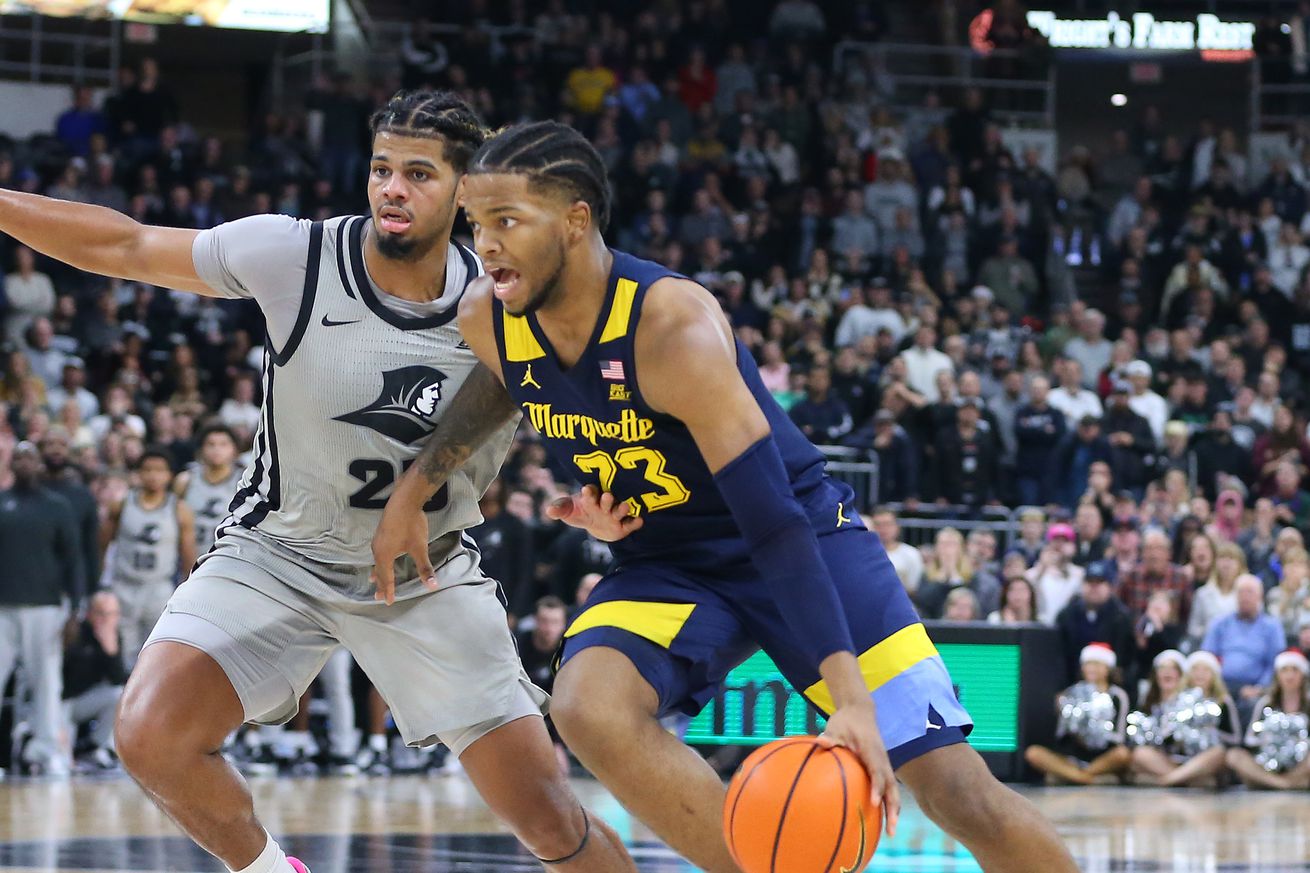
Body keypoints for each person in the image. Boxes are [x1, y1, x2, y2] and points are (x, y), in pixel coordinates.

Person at [374, 121, 1078, 873]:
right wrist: (413, 492)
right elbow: (504, 379)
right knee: (586, 707)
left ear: (576, 221)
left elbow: (773, 523)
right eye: (479, 224)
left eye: (508, 222)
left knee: (955, 790)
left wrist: (851, 702)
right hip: (669, 558)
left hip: (799, 536)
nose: (485, 244)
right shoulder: (490, 314)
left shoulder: (673, 327)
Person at [0, 92, 635, 873]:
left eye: (418, 174)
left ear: (467, 191)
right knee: (149, 733)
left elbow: (590, 410)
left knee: (549, 819)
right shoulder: (294, 256)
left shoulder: (505, 296)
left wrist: (600, 496)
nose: (391, 189)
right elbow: (128, 245)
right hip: (278, 554)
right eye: (380, 170)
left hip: (424, 575)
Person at [0, 441, 85, 776]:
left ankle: (47, 750)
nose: (24, 462)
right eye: (18, 457)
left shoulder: (57, 506)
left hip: (46, 607)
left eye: (29, 457)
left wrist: (76, 608)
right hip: (2, 608)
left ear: (38, 464)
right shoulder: (2, 502)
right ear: (11, 463)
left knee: (46, 682)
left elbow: (74, 560)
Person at [102, 446, 196, 667]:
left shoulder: (179, 509)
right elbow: (102, 545)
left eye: (159, 470)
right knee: (122, 652)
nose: (153, 475)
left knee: (156, 653)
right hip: (123, 585)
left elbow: (188, 553)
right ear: (138, 473)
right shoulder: (121, 504)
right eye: (148, 469)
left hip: (159, 588)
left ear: (169, 475)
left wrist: (188, 589)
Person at [1023, 643, 1131, 784]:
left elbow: (1119, 737)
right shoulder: (1070, 693)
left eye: (1097, 664)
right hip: (1073, 756)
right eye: (1088, 664)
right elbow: (1062, 736)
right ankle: (1084, 777)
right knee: (1033, 753)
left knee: (1123, 755)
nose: (1092, 668)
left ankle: (1075, 776)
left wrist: (1095, 734)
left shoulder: (1117, 695)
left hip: (1103, 757)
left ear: (1107, 669)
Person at [1130, 650, 1241, 787]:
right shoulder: (1178, 698)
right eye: (1195, 669)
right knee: (1141, 753)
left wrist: (1210, 733)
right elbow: (1166, 731)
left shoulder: (1223, 701)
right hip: (1178, 756)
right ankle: (1188, 779)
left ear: (1214, 675)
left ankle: (1167, 780)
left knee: (1219, 753)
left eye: (1206, 670)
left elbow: (1235, 739)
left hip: (1205, 758)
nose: (1200, 674)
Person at [1202, 574, 1287, 724]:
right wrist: (1215, 685)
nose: (1244, 597)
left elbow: (1275, 664)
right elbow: (1207, 658)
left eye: (1250, 592)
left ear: (1260, 597)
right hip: (1221, 685)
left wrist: (1260, 687)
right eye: (1241, 592)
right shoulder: (1220, 623)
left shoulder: (1272, 627)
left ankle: (1245, 746)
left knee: (1253, 705)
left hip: (1255, 688)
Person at [63, 590, 129, 769]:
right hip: (64, 702)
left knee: (120, 695)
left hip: (88, 701)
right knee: (63, 762)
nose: (106, 619)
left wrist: (111, 652)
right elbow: (70, 681)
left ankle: (96, 747)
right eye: (101, 613)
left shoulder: (114, 637)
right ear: (90, 613)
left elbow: (120, 680)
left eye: (112, 614)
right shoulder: (75, 631)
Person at [174, 424, 244, 556]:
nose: (217, 449)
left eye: (223, 444)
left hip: (230, 557)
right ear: (201, 449)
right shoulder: (185, 480)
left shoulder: (244, 481)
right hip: (191, 556)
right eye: (211, 444)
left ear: (235, 450)